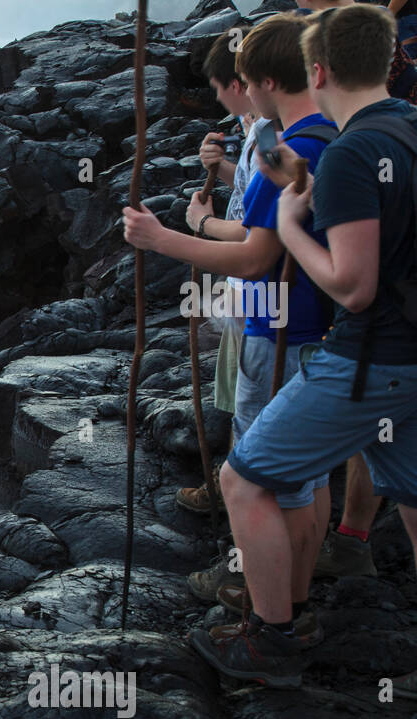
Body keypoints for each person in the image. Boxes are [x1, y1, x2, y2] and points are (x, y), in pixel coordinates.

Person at [193, 6, 417, 719]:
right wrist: (301, 179)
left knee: (245, 479)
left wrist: (296, 227)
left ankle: (274, 639)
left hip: (372, 360)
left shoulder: (359, 152)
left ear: (319, 70)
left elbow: (353, 284)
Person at [123, 13, 336, 643]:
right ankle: (294, 587)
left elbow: (254, 255)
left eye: (242, 79)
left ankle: (273, 610)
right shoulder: (322, 135)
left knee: (254, 479)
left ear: (265, 79)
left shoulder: (293, 150)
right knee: (306, 479)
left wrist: (165, 240)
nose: (238, 92)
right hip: (312, 331)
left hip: (281, 332)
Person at [175, 29, 269, 520]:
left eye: (219, 86)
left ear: (242, 81)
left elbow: (259, 237)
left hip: (263, 301)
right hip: (248, 297)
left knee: (253, 409)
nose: (218, 98)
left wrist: (201, 225)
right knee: (239, 391)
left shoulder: (277, 137)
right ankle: (232, 479)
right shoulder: (258, 132)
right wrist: (226, 167)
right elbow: (255, 195)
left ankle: (237, 495)